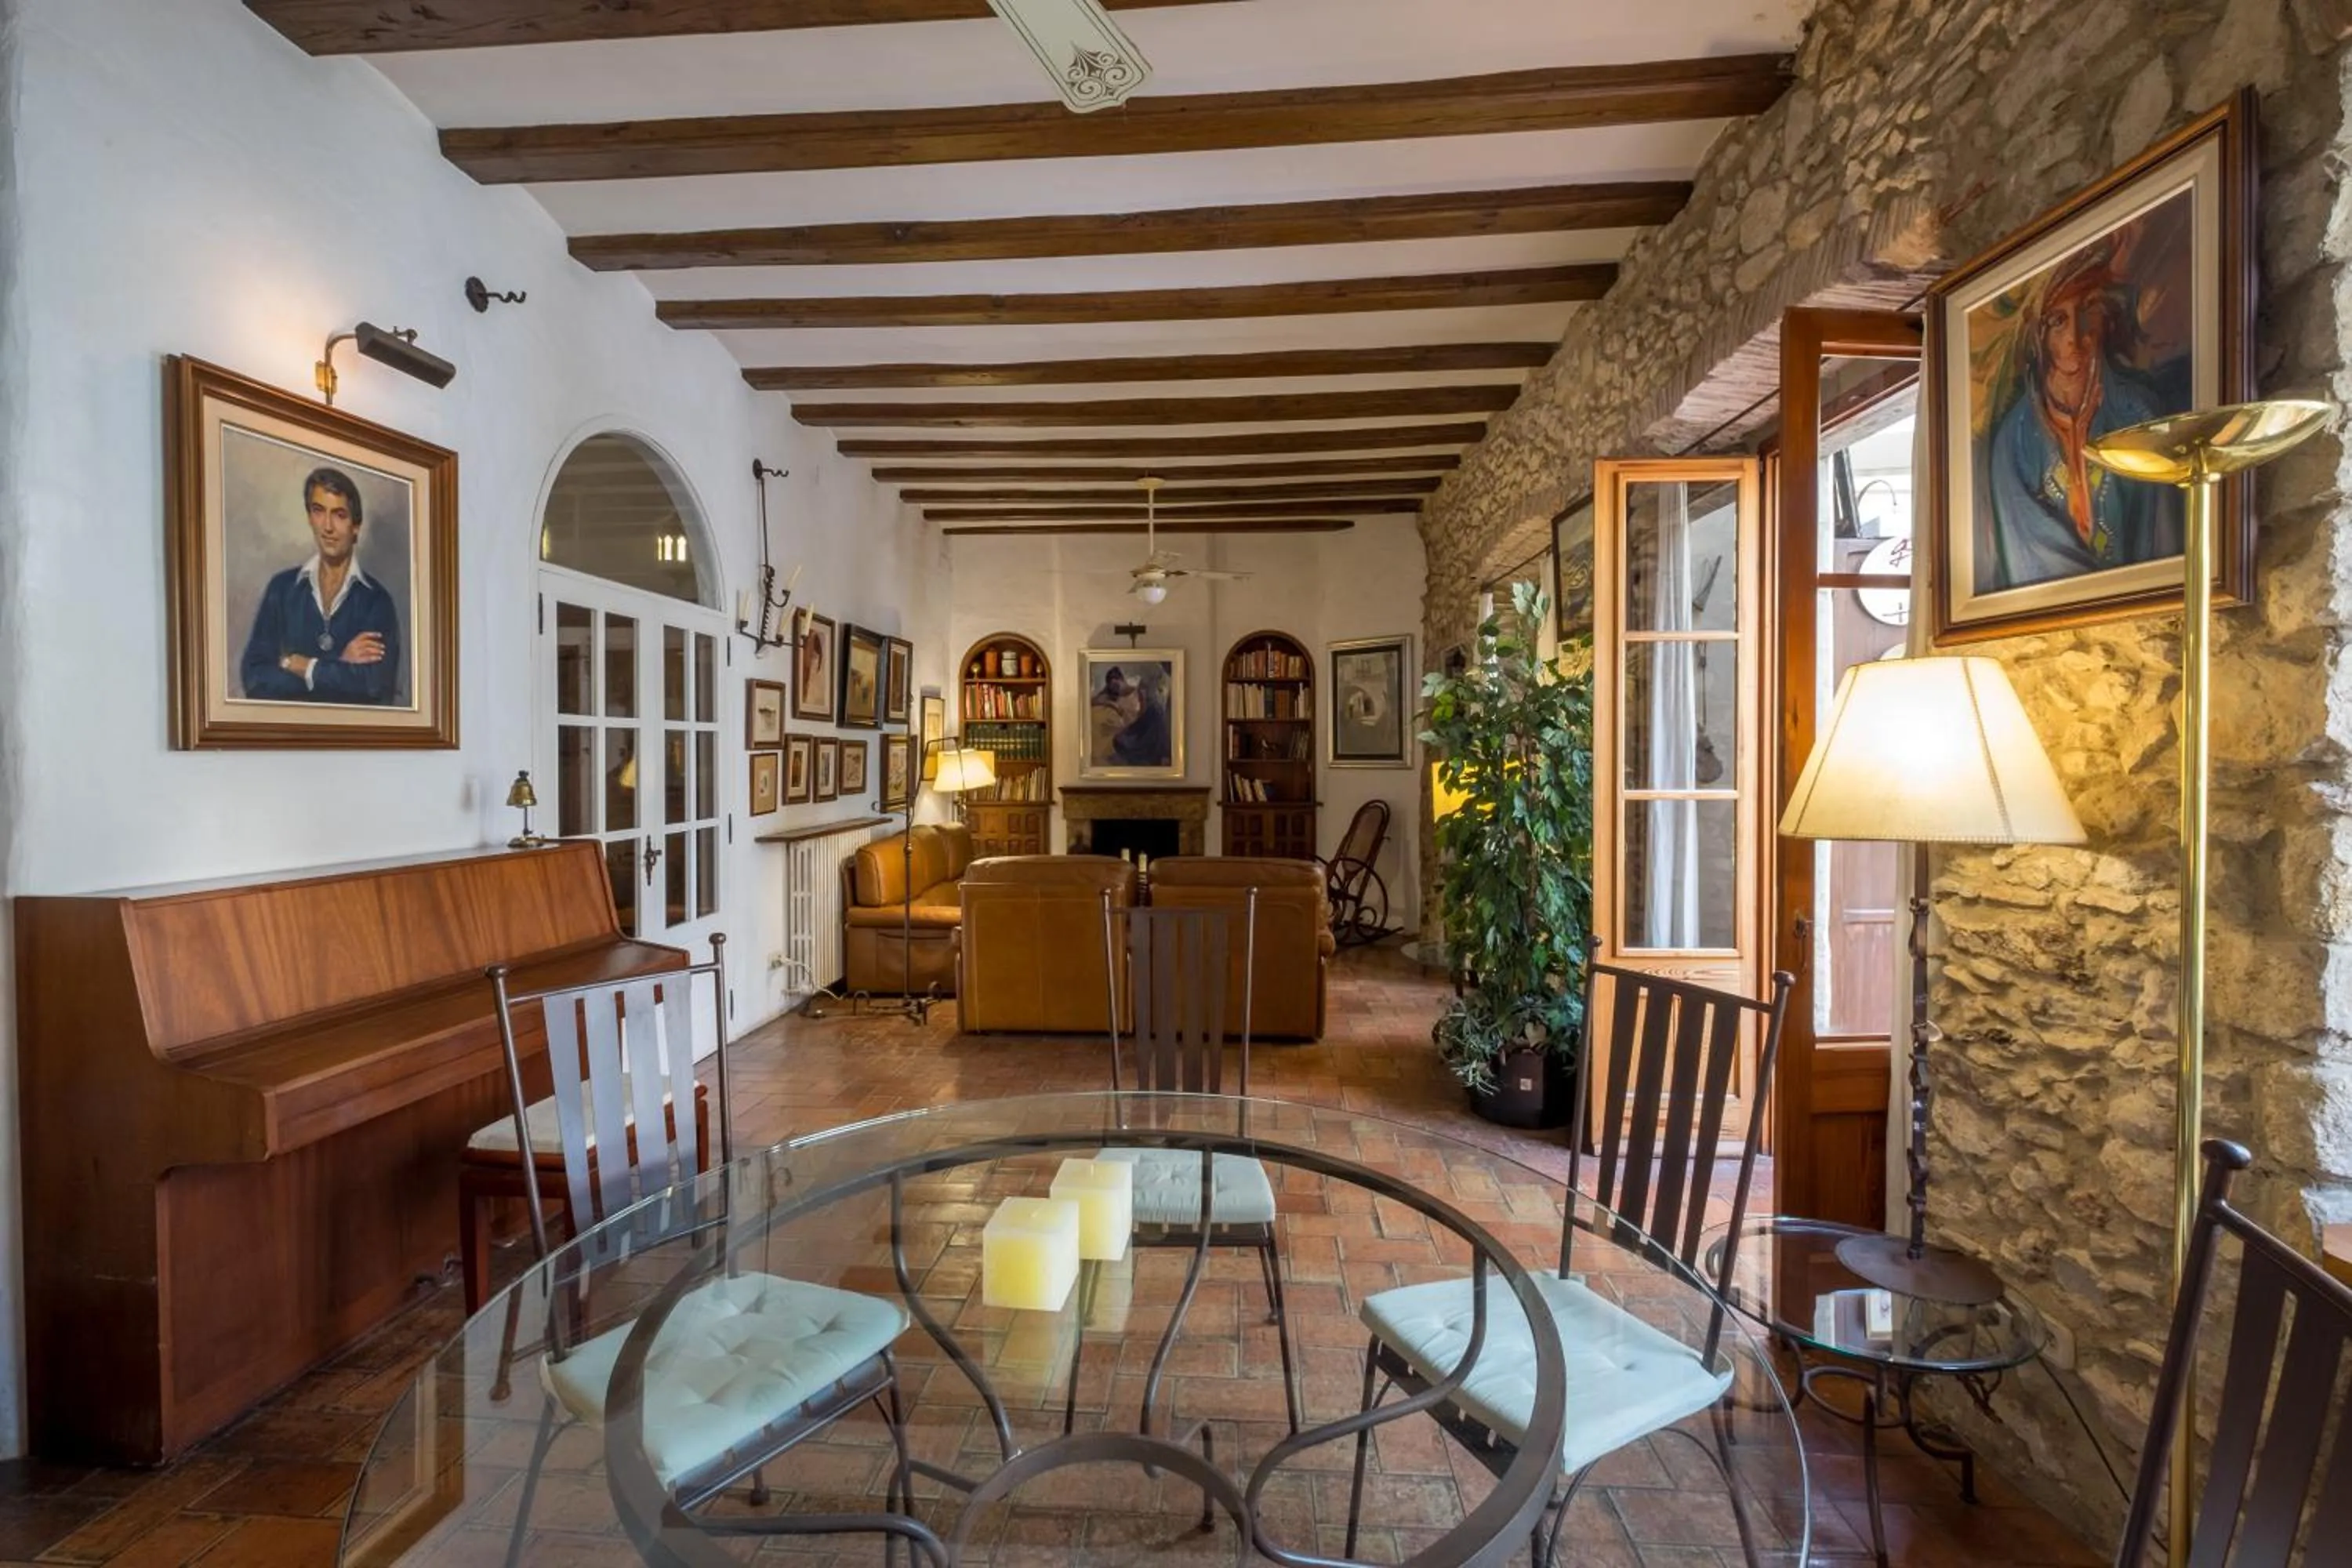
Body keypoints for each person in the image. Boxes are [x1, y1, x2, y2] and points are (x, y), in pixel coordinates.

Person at [1977, 243, 2183, 593]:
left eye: (2087, 313)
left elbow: (2163, 540)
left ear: (2105, 319)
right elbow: (2030, 561)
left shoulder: (2138, 415)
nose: (2074, 337)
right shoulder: (2014, 441)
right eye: (2058, 321)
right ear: (2039, 336)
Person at [238, 466, 402, 704]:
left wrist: (296, 664)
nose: (327, 527)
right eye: (318, 511)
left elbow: (374, 687)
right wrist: (339, 666)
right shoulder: (281, 589)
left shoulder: (376, 601)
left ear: (355, 527)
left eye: (339, 515)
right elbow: (255, 680)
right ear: (309, 517)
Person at [1112, 666, 1171, 768]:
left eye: (1117, 685)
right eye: (1113, 687)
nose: (1116, 689)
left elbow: (1143, 708)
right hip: (1143, 721)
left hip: (1148, 719)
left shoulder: (1140, 689)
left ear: (1121, 680)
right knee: (1120, 740)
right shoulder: (1117, 698)